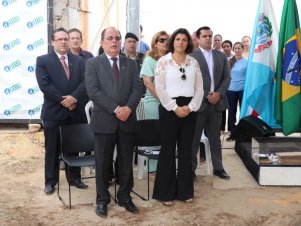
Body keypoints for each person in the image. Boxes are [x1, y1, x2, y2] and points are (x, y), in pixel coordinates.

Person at [85, 27, 142, 218]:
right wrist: (117, 109)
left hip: (127, 120)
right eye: (109, 38)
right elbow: (93, 91)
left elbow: (137, 89)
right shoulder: (93, 63)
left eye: (117, 38)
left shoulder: (131, 64)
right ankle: (102, 200)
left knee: (126, 162)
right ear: (102, 42)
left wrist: (128, 108)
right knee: (102, 163)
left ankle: (125, 197)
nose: (114, 41)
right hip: (104, 121)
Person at [152, 28, 203, 206]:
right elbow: (159, 87)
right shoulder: (163, 62)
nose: (181, 42)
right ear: (172, 42)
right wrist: (174, 108)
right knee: (167, 150)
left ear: (188, 42)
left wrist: (190, 107)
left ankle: (185, 191)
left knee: (186, 150)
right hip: (169, 109)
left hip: (190, 110)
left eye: (184, 39)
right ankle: (165, 193)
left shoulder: (193, 62)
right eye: (178, 39)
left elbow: (199, 88)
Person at [35, 27, 89, 195]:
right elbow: (45, 86)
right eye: (60, 39)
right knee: (52, 149)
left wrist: (74, 98)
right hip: (53, 113)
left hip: (75, 111)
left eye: (66, 39)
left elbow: (86, 83)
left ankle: (75, 178)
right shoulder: (43, 60)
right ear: (53, 42)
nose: (64, 42)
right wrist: (64, 101)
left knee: (74, 147)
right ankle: (51, 181)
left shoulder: (80, 61)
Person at [191, 26, 231, 180]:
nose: (208, 38)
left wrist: (218, 93)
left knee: (215, 138)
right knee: (194, 139)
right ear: (199, 38)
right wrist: (202, 95)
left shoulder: (221, 56)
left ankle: (218, 168)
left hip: (216, 103)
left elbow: (227, 78)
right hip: (198, 104)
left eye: (210, 36)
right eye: (205, 36)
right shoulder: (191, 57)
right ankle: (191, 170)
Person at [140, 30, 169, 172]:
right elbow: (147, 83)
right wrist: (164, 100)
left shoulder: (172, 59)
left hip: (170, 104)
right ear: (155, 44)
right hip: (154, 102)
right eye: (162, 40)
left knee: (168, 137)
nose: (166, 43)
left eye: (167, 40)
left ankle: (165, 169)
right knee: (155, 137)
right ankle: (152, 169)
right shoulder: (150, 60)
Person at [226, 42, 248, 140]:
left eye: (239, 48)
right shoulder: (228, 60)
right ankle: (233, 133)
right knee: (231, 111)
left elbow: (249, 76)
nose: (237, 50)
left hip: (243, 89)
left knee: (243, 111)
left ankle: (243, 132)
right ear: (233, 49)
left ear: (242, 49)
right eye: (235, 48)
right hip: (231, 90)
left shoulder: (247, 61)